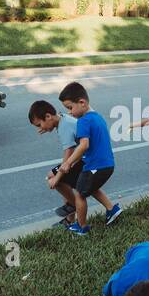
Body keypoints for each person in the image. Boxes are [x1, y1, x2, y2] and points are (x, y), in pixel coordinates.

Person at [58, 81, 122, 235]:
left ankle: (82, 226)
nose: (70, 113)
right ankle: (112, 209)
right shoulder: (97, 117)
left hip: (96, 165)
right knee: (90, 187)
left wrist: (68, 163)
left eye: (70, 108)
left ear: (82, 102)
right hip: (107, 164)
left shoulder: (83, 121)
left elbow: (84, 145)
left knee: (80, 193)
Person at [29, 100, 80, 226]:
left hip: (84, 159)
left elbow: (69, 152)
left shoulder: (64, 127)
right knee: (55, 176)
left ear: (48, 116)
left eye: (39, 125)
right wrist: (47, 127)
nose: (41, 128)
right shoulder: (62, 118)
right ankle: (70, 216)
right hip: (80, 157)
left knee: (56, 179)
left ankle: (74, 206)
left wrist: (58, 177)